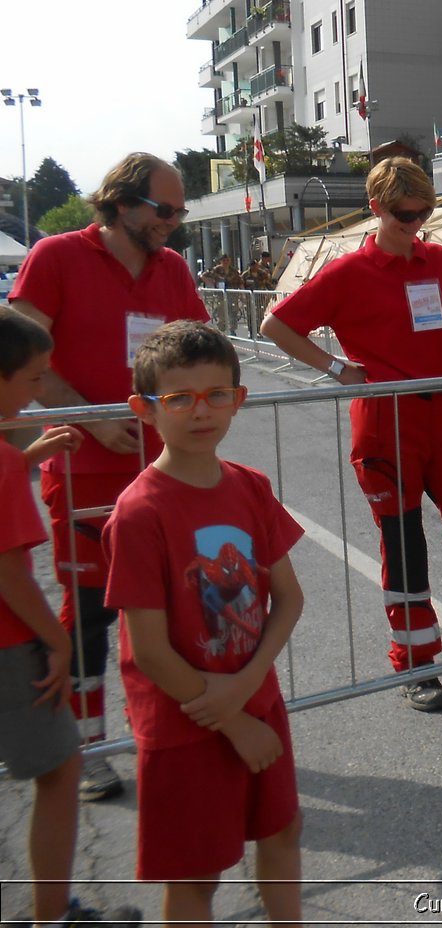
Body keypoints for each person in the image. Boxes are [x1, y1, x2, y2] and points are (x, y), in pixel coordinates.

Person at [262, 158, 442, 713]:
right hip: (384, 428)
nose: (417, 222)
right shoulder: (347, 273)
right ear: (375, 207)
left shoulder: (440, 259)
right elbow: (275, 324)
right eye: (405, 214)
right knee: (404, 546)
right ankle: (416, 664)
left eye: (425, 212)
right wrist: (336, 369)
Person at [10, 152, 209, 800]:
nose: (174, 223)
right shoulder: (56, 257)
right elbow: (19, 362)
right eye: (165, 210)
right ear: (123, 203)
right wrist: (93, 420)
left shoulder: (173, 268)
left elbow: (197, 349)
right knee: (90, 615)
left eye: (180, 211)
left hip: (161, 472)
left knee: (172, 606)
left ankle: (170, 728)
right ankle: (89, 745)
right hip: (83, 468)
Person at [105, 321, 303, 926]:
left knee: (283, 833)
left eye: (217, 394)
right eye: (179, 398)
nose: (201, 411)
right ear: (144, 409)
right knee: (197, 875)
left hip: (251, 697)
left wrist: (247, 691)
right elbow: (152, 651)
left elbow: (288, 599)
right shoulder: (139, 513)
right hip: (183, 720)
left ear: (239, 400)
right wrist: (233, 720)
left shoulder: (249, 486)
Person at [0, 308, 141, 927]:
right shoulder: (5, 468)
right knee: (59, 772)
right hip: (11, 644)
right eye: (32, 380)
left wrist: (30, 453)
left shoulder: (9, 458)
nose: (39, 394)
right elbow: (8, 573)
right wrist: (55, 641)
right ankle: (53, 914)